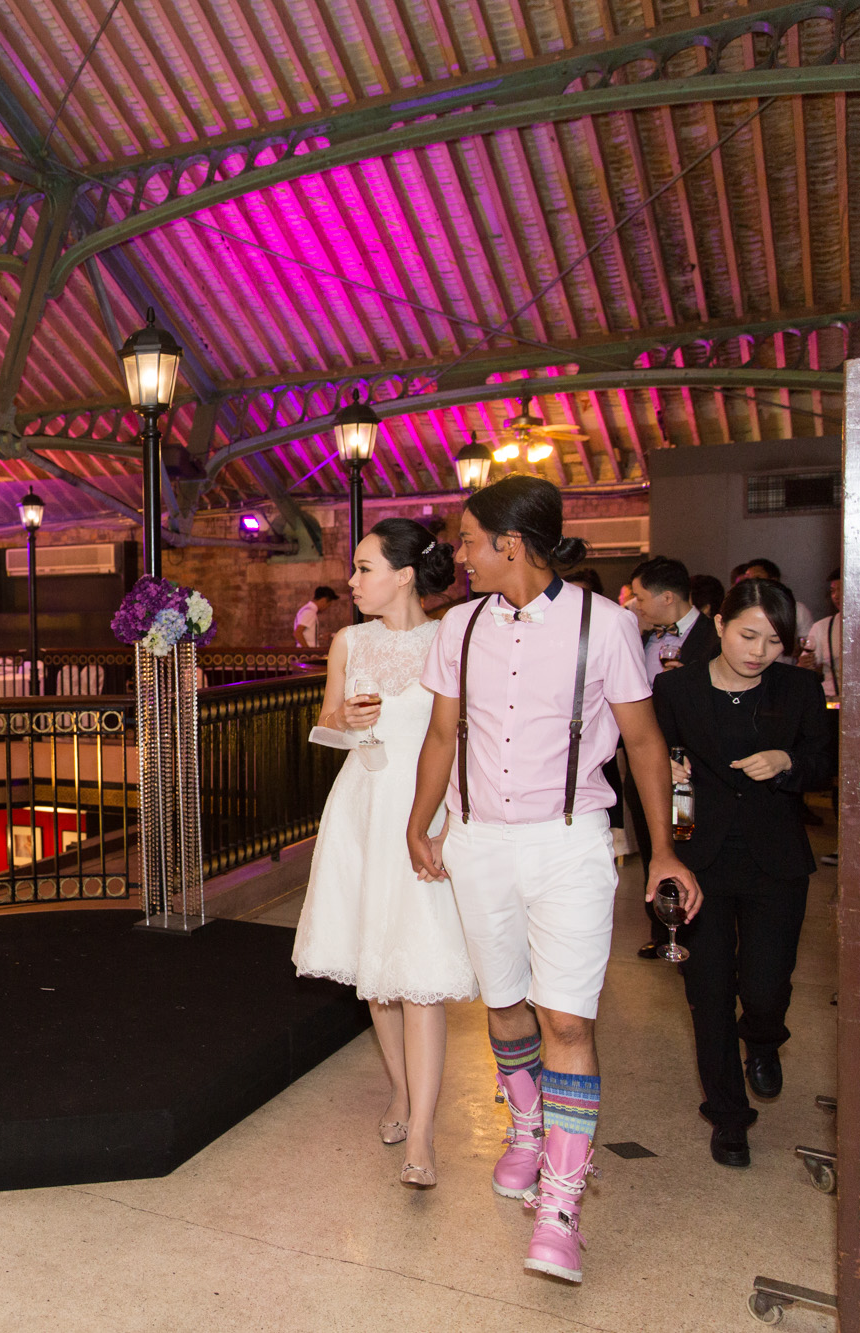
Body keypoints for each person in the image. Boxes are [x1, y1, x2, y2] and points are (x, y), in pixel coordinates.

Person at [408, 475, 700, 1285]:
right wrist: (418, 822)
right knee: (504, 1004)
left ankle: (562, 1206)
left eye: (470, 541)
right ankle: (527, 1130)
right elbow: (441, 735)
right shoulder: (459, 625)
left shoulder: (606, 624)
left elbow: (643, 742)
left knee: (567, 1019)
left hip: (570, 843)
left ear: (511, 543)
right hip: (477, 842)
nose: (460, 556)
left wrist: (665, 850)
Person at [293, 519, 474, 1189]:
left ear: (404, 575)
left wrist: (452, 823)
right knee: (378, 970)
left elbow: (466, 739)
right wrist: (345, 721)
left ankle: (422, 1132)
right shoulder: (349, 641)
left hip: (422, 812)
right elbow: (326, 724)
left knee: (419, 971)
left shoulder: (450, 641)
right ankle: (400, 1089)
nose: (352, 580)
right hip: (363, 809)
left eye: (364, 568)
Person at [653, 578, 833, 1167]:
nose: (759, 652)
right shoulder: (676, 688)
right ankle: (729, 1117)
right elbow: (658, 763)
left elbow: (823, 763)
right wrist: (668, 787)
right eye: (748, 635)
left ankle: (763, 1037)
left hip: (774, 861)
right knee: (708, 994)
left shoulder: (799, 688)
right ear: (720, 624)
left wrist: (787, 762)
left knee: (765, 986)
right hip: (700, 860)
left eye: (774, 641)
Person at [625, 555, 721, 958]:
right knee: (654, 843)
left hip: (691, 765)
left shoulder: (714, 638)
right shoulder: (640, 636)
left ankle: (695, 933)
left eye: (640, 597)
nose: (636, 605)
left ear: (667, 597)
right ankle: (662, 929)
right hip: (644, 758)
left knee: (691, 847)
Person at [736, 558, 814, 659]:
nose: (752, 583)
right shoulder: (741, 609)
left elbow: (807, 644)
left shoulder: (797, 609)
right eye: (748, 579)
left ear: (773, 580)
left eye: (757, 577)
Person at [805, 568, 845, 699]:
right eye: (833, 591)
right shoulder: (823, 627)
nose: (836, 596)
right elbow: (806, 665)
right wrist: (805, 664)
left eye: (842, 589)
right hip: (832, 699)